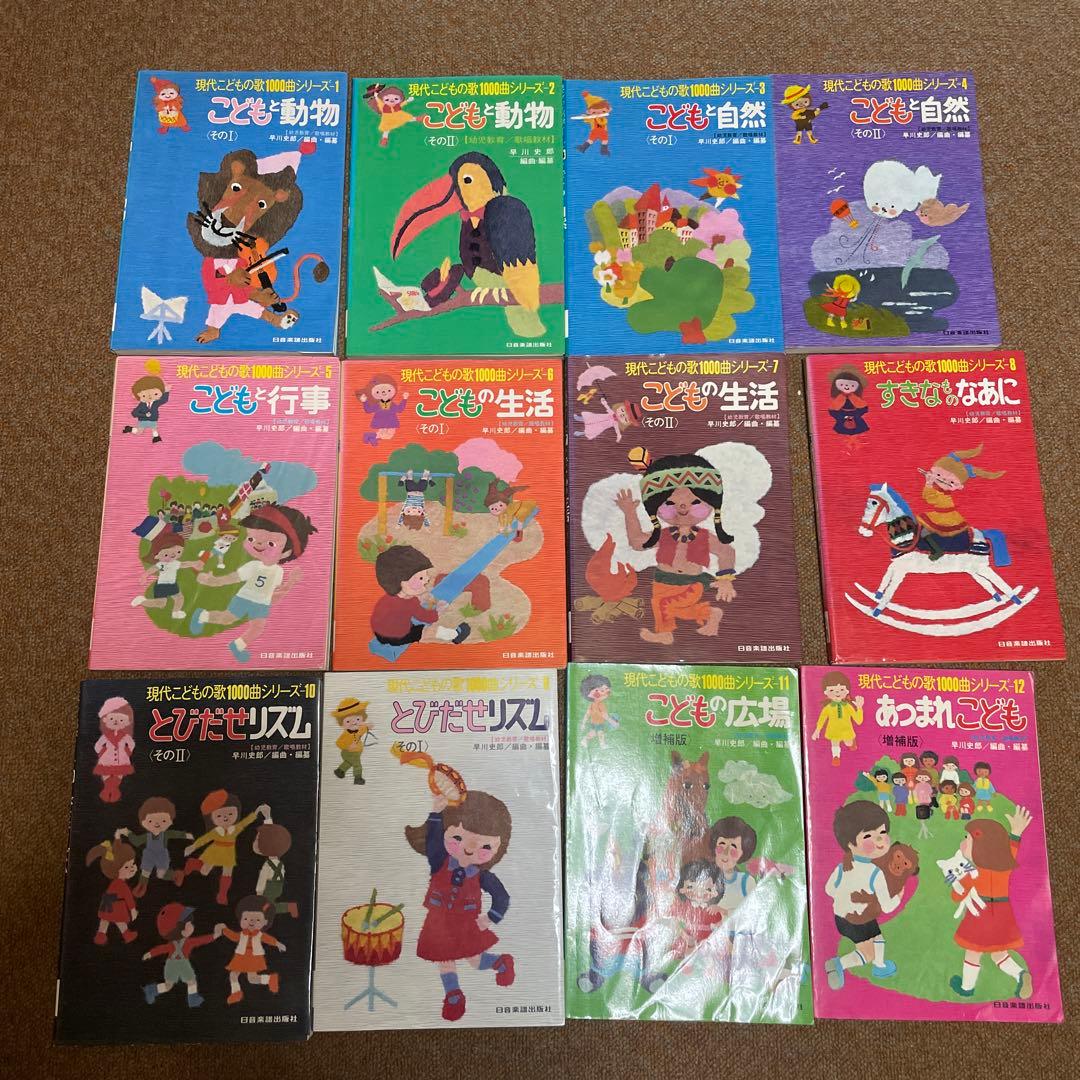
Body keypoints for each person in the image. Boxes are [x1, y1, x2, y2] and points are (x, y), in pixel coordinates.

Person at [405, 789, 515, 1022]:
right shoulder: (439, 860)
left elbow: (502, 897)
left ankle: (500, 962)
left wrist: (490, 918)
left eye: (485, 847)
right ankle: (453, 995)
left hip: (466, 925)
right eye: (458, 838)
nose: (469, 848)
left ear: (498, 850)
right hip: (438, 923)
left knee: (475, 961)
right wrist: (437, 813)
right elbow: (433, 841)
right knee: (444, 960)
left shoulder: (482, 876)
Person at [614, 453, 736, 645]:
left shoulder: (705, 537)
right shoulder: (663, 535)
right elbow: (637, 542)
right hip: (661, 582)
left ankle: (665, 634)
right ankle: (710, 613)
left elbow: (726, 551)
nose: (682, 509)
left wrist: (725, 580)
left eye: (695, 502)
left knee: (664, 604)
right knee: (672, 608)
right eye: (670, 503)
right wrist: (629, 513)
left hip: (690, 583)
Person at [949, 808, 1034, 1000]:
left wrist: (956, 881)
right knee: (998, 953)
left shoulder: (972, 872)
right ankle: (1020, 974)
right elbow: (1012, 849)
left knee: (973, 952)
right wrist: (1016, 832)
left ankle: (967, 988)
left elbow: (956, 895)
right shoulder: (1004, 864)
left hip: (981, 914)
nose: (963, 843)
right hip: (1002, 914)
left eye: (967, 839)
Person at [823, 801, 903, 989]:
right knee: (868, 954)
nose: (879, 840)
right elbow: (887, 906)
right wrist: (899, 895)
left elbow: (829, 890)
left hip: (841, 918)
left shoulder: (842, 867)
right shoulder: (875, 873)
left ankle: (880, 965)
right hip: (858, 919)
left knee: (877, 937)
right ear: (851, 844)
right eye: (868, 836)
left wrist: (845, 898)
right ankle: (839, 964)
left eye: (882, 832)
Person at [142, 904, 220, 1007]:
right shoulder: (182, 943)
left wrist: (214, 936)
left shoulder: (188, 942)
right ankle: (151, 990)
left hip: (180, 964)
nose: (192, 926)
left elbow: (202, 940)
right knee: (169, 986)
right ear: (180, 929)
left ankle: (192, 1000)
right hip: (174, 965)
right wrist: (150, 953)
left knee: (191, 981)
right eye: (189, 924)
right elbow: (161, 949)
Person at [813, 672, 864, 766]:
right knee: (835, 743)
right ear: (826, 692)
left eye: (841, 689)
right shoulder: (828, 708)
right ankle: (836, 757)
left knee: (848, 743)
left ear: (847, 691)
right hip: (833, 730)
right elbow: (822, 719)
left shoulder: (848, 706)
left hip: (846, 730)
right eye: (832, 690)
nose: (837, 692)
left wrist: (859, 708)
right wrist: (817, 730)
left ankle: (851, 743)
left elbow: (858, 720)